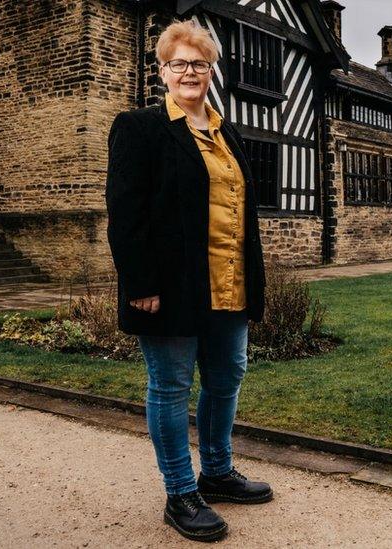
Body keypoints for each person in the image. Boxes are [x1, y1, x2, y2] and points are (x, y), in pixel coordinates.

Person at [105, 20, 270, 543]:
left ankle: (216, 472)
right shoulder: (140, 128)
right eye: (179, 63)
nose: (190, 72)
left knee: (227, 378)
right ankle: (180, 492)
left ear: (212, 70)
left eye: (199, 63)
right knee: (172, 386)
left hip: (229, 283)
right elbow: (125, 215)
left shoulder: (228, 132)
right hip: (170, 287)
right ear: (163, 71)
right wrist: (140, 283)